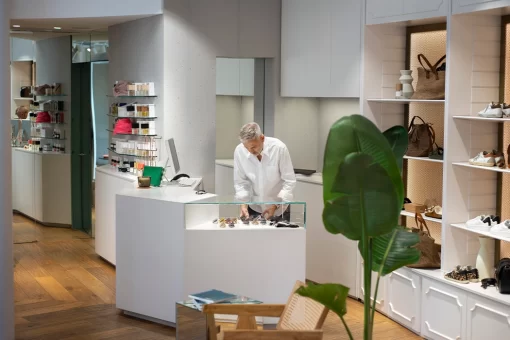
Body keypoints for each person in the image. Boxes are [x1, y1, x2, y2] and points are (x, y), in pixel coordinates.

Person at [234, 122, 296, 220]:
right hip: (254, 207)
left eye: (253, 146)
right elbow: (241, 182)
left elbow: (289, 181)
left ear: (262, 138)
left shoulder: (279, 148)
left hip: (279, 209)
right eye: (247, 147)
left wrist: (276, 205)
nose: (250, 151)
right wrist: (243, 203)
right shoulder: (239, 151)